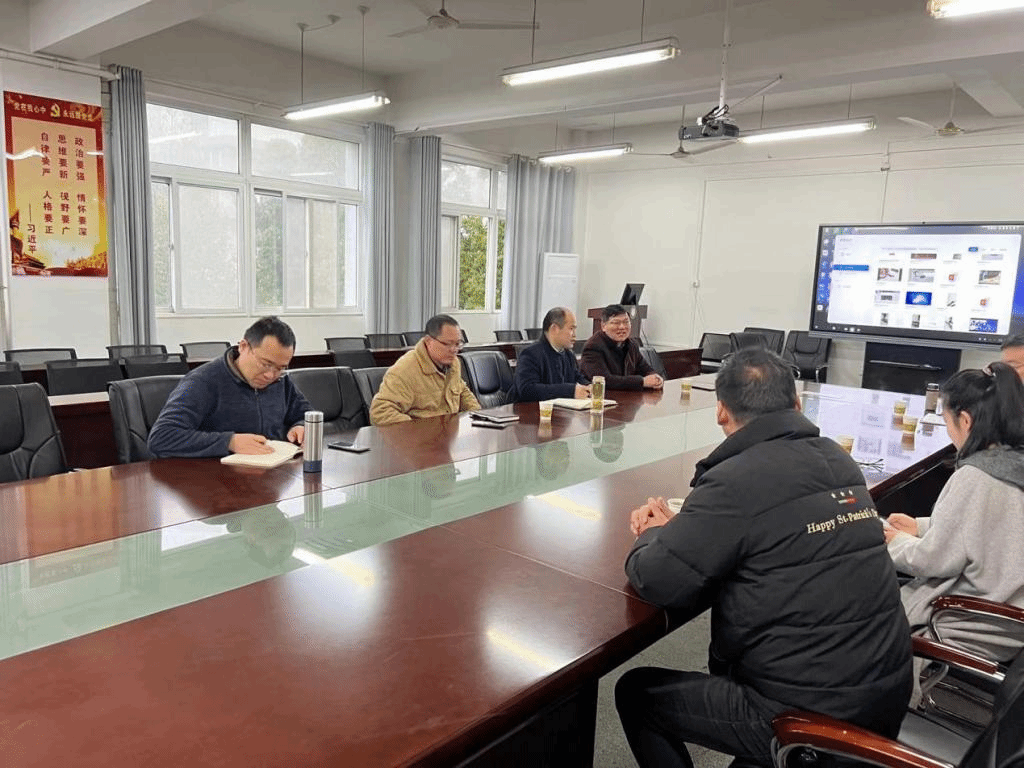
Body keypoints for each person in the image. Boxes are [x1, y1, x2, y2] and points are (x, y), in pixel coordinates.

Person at [616, 348, 912, 768]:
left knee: (637, 693)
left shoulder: (734, 479)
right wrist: (687, 528)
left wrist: (655, 532)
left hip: (812, 719)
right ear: (796, 404)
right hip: (886, 695)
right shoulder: (838, 459)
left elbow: (657, 578)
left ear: (721, 411)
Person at [885, 362, 1024, 663]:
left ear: (965, 420)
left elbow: (932, 560)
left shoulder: (976, 476)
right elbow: (993, 529)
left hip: (967, 623)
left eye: (947, 423)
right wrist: (921, 527)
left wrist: (892, 541)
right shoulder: (1014, 463)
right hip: (1011, 622)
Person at [148, 316, 311, 458]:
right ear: (243, 347)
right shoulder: (202, 381)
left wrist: (301, 426)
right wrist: (229, 442)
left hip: (274, 472)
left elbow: (306, 414)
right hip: (216, 477)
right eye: (265, 364)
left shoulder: (281, 381)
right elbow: (161, 437)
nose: (270, 375)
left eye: (280, 367)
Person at [369, 314, 480, 426]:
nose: (454, 350)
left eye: (457, 344)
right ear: (428, 341)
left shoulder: (454, 363)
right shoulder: (406, 370)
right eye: (447, 344)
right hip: (420, 435)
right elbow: (380, 412)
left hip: (448, 432)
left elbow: (462, 391)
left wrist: (478, 415)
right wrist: (419, 429)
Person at [506, 307, 591, 402]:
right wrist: (571, 391)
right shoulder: (530, 354)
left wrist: (589, 387)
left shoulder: (569, 355)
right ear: (554, 329)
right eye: (571, 329)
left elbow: (577, 378)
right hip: (528, 409)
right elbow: (527, 390)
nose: (574, 334)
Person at [580, 304, 663, 390]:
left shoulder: (632, 344)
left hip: (627, 396)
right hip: (602, 396)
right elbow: (605, 380)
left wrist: (655, 377)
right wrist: (642, 381)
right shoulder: (593, 347)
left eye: (626, 322)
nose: (622, 327)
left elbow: (645, 369)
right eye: (616, 323)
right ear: (603, 326)